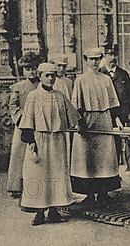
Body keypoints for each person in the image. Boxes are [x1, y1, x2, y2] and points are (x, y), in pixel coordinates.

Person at [18, 63, 79, 226]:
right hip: (40, 140)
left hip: (57, 140)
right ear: (40, 76)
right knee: (39, 175)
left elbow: (73, 116)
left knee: (57, 175)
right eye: (47, 75)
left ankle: (53, 211)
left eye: (53, 75)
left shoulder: (60, 95)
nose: (51, 78)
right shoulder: (33, 96)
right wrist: (31, 141)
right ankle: (39, 213)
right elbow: (27, 121)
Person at [70, 47, 121, 205]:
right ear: (86, 60)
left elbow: (113, 104)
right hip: (87, 121)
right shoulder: (80, 79)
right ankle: (89, 194)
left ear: (101, 60)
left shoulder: (106, 79)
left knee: (104, 158)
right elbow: (76, 104)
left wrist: (116, 120)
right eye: (91, 59)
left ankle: (103, 192)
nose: (94, 62)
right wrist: (80, 123)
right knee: (87, 159)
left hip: (104, 120)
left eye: (97, 59)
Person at [7, 51, 41, 198]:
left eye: (34, 68)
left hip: (39, 123)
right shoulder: (18, 87)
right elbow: (13, 106)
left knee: (37, 155)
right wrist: (21, 119)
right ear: (23, 70)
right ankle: (16, 186)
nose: (31, 72)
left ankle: (37, 182)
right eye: (28, 69)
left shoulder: (42, 85)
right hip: (23, 125)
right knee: (19, 154)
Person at [99, 54, 130, 165]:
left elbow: (128, 97)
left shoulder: (123, 74)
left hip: (120, 116)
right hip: (104, 115)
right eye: (108, 54)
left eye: (113, 54)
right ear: (104, 57)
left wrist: (124, 116)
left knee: (117, 144)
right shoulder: (99, 73)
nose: (112, 57)